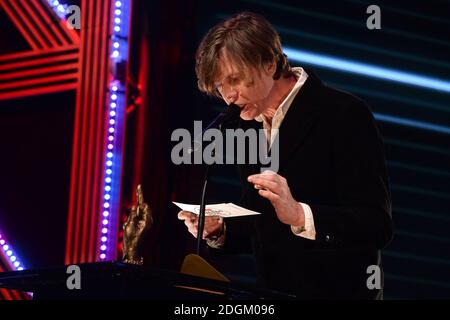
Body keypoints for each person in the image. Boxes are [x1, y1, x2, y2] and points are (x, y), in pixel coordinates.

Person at [177, 12, 393, 299]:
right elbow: (263, 226)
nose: (228, 96)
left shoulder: (344, 114)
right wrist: (219, 230)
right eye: (219, 87)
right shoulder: (244, 124)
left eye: (235, 79)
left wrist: (301, 215)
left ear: (270, 63)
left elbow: (376, 225)